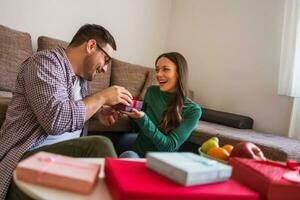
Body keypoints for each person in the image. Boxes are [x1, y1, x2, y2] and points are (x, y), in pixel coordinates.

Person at [0, 24, 133, 200]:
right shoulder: (44, 63)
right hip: (24, 162)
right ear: (91, 45)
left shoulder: (82, 81)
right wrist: (101, 97)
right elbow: (56, 121)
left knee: (117, 165)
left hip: (58, 164)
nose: (105, 68)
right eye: (106, 59)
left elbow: (73, 113)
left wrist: (97, 112)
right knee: (99, 146)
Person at [119, 52, 202, 158]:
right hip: (138, 150)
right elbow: (136, 127)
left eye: (165, 69)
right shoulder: (152, 91)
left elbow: (169, 147)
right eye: (157, 69)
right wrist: (127, 112)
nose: (158, 74)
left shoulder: (193, 110)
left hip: (159, 162)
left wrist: (143, 119)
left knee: (128, 155)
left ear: (179, 73)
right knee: (123, 144)